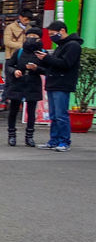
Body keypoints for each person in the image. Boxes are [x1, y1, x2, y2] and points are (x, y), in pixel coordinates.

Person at [36, 20, 83, 152]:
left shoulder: (73, 45)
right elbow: (54, 63)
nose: (51, 36)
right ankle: (54, 140)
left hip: (62, 84)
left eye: (53, 33)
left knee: (61, 115)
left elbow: (65, 64)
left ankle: (64, 141)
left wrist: (46, 58)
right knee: (53, 115)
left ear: (62, 30)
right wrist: (42, 61)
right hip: (54, 83)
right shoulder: (61, 46)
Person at [4, 28, 43, 147]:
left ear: (39, 38)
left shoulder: (42, 53)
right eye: (29, 35)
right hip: (18, 84)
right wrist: (15, 71)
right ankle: (11, 135)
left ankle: (29, 137)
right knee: (13, 111)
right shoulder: (19, 52)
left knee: (31, 112)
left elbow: (48, 70)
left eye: (34, 36)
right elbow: (9, 65)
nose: (31, 38)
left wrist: (36, 68)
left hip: (33, 84)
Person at [2, 11, 31, 108]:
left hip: (23, 58)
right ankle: (3, 101)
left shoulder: (29, 29)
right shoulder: (10, 27)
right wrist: (23, 46)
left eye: (28, 20)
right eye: (25, 19)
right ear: (20, 17)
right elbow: (7, 42)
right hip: (11, 57)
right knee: (9, 81)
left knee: (22, 80)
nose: (27, 22)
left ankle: (18, 102)